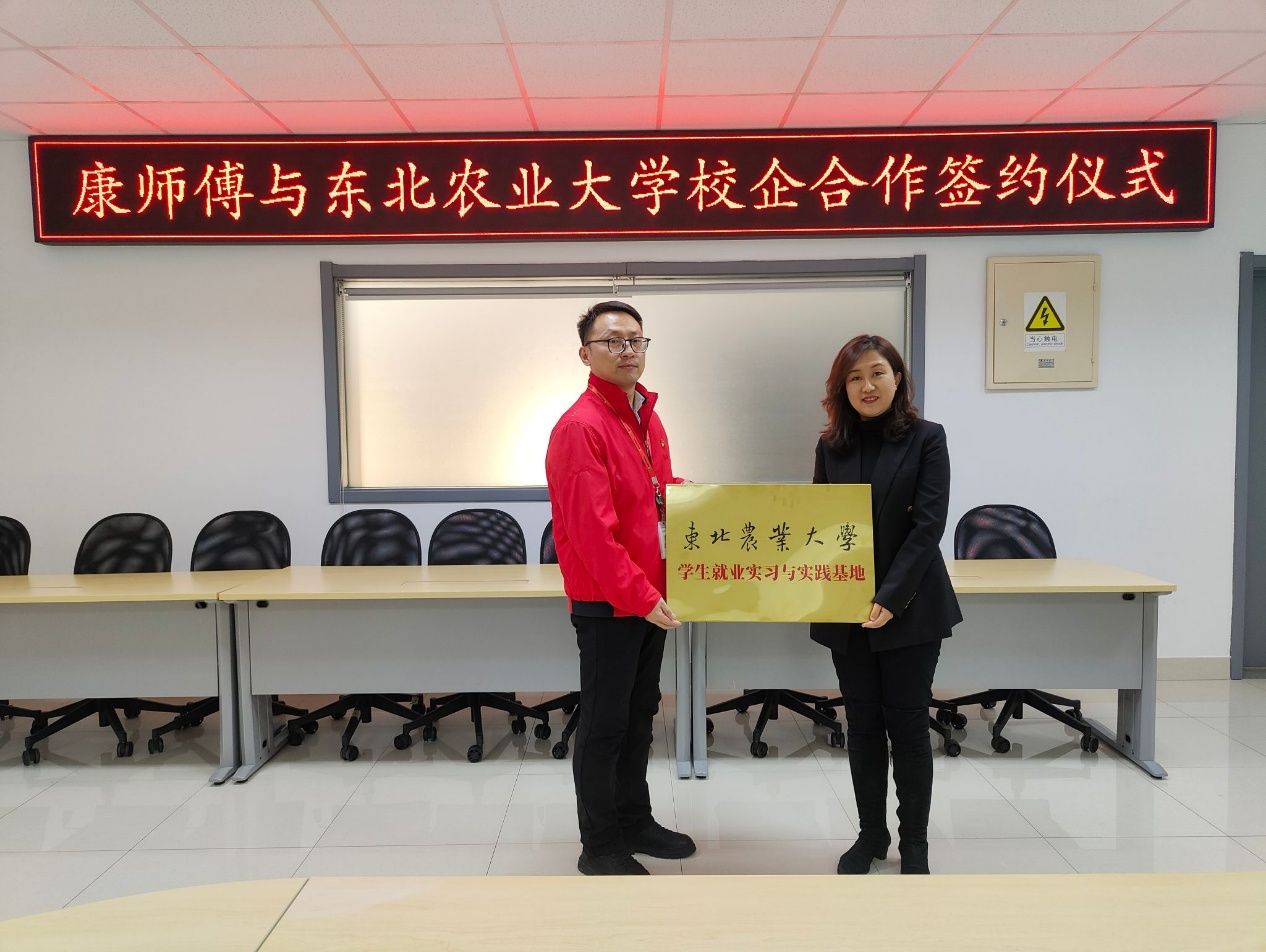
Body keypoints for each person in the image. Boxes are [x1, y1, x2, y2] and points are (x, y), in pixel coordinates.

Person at [545, 300, 696, 876]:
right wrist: (641, 596)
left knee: (638, 716)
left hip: (648, 597)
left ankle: (635, 820)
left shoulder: (645, 416)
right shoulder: (581, 427)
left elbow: (656, 495)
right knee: (605, 724)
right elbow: (593, 535)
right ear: (585, 354)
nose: (627, 350)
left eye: (635, 339)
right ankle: (601, 844)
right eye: (612, 341)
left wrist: (702, 503)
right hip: (609, 602)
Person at [809, 334, 962, 875]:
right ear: (841, 388)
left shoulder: (927, 438)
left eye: (877, 373)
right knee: (864, 727)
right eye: (854, 378)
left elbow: (928, 526)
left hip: (911, 607)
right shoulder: (831, 446)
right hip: (849, 610)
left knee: (909, 727)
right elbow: (820, 526)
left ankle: (914, 843)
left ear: (898, 379)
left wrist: (890, 597)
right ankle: (871, 834)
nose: (867, 386)